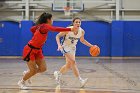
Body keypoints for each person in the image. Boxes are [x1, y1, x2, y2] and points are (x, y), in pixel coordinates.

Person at [18, 12, 77, 89]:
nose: (52, 20)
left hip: (38, 50)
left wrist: (38, 37)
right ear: (48, 20)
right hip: (30, 50)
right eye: (51, 19)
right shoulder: (44, 26)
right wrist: (70, 29)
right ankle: (21, 82)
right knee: (33, 70)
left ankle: (27, 73)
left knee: (43, 68)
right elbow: (55, 29)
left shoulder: (40, 26)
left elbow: (32, 29)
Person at [54, 17, 95, 87]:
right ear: (73, 23)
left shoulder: (82, 31)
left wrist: (91, 46)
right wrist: (59, 45)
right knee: (73, 62)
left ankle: (58, 73)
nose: (78, 23)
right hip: (65, 46)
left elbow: (82, 40)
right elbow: (57, 36)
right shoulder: (68, 29)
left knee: (68, 65)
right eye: (76, 22)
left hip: (72, 47)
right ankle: (80, 80)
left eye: (79, 22)